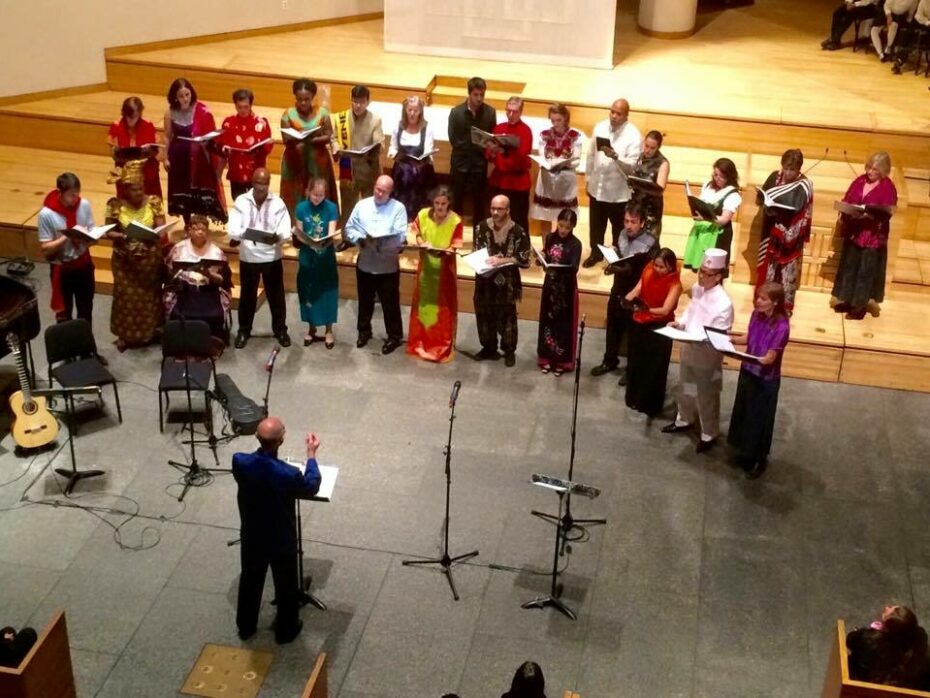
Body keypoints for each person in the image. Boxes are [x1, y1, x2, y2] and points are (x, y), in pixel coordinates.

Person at [232, 416, 322, 644]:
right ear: (281, 441)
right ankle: (286, 630)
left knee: (250, 579)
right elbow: (311, 485)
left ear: (256, 437)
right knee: (286, 586)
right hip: (280, 538)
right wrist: (311, 455)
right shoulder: (288, 474)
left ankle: (246, 626)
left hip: (252, 535)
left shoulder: (240, 462)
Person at [662, 248, 734, 453]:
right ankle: (684, 419)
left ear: (719, 276)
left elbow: (718, 333)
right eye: (700, 271)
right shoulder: (697, 288)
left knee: (706, 394)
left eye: (707, 273)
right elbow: (690, 312)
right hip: (688, 346)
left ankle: (709, 433)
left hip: (706, 354)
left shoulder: (724, 303)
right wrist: (680, 324)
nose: (701, 275)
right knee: (685, 386)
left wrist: (697, 336)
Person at [727, 281, 791, 479]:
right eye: (757, 297)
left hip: (765, 380)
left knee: (759, 419)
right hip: (748, 371)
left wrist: (758, 359)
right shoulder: (757, 314)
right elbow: (750, 336)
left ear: (775, 302)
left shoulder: (781, 326)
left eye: (763, 299)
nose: (758, 301)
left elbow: (770, 357)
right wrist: (729, 339)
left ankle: (758, 458)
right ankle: (744, 452)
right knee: (744, 413)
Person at [590, 205, 659, 385]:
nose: (628, 226)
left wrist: (630, 270)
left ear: (642, 223)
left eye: (633, 222)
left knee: (633, 332)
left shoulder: (651, 242)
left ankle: (632, 370)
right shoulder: (621, 234)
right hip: (618, 288)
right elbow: (620, 256)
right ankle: (609, 361)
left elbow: (651, 271)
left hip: (636, 292)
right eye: (626, 221)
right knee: (613, 325)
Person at [104, 165, 169, 352]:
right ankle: (125, 335)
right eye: (134, 189)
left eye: (141, 188)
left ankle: (152, 330)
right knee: (125, 298)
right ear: (126, 190)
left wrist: (154, 233)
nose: (139, 192)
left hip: (149, 260)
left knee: (151, 296)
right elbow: (108, 232)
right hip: (126, 262)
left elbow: (161, 228)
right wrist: (122, 236)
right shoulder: (115, 205)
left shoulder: (154, 202)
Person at [227, 168, 293, 349]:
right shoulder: (242, 201)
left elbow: (286, 228)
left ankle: (280, 329)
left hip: (271, 256)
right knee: (247, 295)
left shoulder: (277, 203)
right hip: (248, 256)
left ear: (269, 183)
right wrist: (245, 234)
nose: (261, 187)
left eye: (264, 184)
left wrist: (278, 236)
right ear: (252, 182)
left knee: (276, 295)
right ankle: (244, 330)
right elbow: (232, 228)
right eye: (258, 183)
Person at [343, 174, 408, 354]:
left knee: (390, 303)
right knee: (364, 301)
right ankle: (364, 331)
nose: (379, 194)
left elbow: (401, 235)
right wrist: (361, 240)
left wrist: (383, 242)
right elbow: (349, 228)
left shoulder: (398, 209)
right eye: (377, 189)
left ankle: (394, 336)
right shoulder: (362, 205)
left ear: (390, 193)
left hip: (387, 265)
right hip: (366, 262)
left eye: (384, 191)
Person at [831, 151, 897, 320]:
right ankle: (847, 300)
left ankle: (858, 307)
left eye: (875, 170)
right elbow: (847, 200)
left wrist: (870, 214)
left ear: (883, 171)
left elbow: (888, 212)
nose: (870, 172)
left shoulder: (887, 187)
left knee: (864, 273)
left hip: (872, 237)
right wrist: (847, 210)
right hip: (855, 232)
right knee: (850, 268)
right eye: (869, 167)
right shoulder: (859, 180)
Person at [472, 194, 531, 367]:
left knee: (507, 317)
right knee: (483, 313)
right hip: (485, 279)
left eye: (499, 209)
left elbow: (524, 257)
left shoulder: (518, 231)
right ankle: (488, 346)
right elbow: (476, 250)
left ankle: (509, 350)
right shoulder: (481, 227)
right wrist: (485, 261)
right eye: (493, 208)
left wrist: (502, 260)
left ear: (508, 210)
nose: (495, 212)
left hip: (507, 282)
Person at [583, 98, 642, 267]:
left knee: (618, 228)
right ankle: (596, 253)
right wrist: (588, 178)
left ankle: (617, 258)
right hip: (597, 187)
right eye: (612, 111)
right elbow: (591, 154)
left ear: (626, 115)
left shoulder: (633, 135)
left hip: (619, 192)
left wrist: (616, 156)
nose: (614, 116)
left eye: (618, 113)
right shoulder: (600, 127)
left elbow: (633, 167)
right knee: (596, 225)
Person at [407, 185, 463, 363]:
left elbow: (455, 245)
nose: (439, 207)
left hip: (444, 270)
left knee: (443, 307)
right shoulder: (423, 214)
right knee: (423, 305)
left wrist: (446, 250)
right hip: (426, 269)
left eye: (443, 204)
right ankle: (420, 343)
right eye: (437, 203)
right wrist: (421, 241)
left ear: (449, 204)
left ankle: (440, 346)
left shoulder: (456, 221)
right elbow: (415, 232)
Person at [624, 248, 682, 417]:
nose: (657, 269)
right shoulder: (649, 268)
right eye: (656, 264)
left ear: (670, 267)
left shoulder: (675, 283)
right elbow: (637, 289)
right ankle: (633, 398)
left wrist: (647, 309)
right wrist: (627, 300)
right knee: (636, 361)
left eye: (661, 267)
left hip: (659, 327)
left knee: (653, 367)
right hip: (641, 321)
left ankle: (649, 404)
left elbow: (665, 310)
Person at [756, 148, 813, 316]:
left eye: (793, 169)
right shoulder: (774, 177)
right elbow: (762, 197)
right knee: (770, 271)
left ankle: (784, 309)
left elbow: (800, 209)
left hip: (791, 236)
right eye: (786, 168)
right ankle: (766, 304)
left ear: (799, 169)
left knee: (788, 275)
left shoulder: (804, 184)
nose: (788, 173)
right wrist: (765, 201)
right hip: (773, 232)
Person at [37, 172, 98, 326]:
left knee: (86, 309)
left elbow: (92, 232)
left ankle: (87, 348)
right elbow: (45, 249)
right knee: (65, 314)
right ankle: (67, 349)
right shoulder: (47, 214)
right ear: (60, 192)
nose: (75, 199)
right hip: (62, 269)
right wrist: (66, 238)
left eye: (77, 194)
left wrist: (89, 238)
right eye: (71, 195)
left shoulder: (83, 204)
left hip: (84, 264)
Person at [164, 78, 226, 223]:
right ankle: (187, 223)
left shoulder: (202, 111)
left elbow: (212, 136)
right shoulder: (170, 113)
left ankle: (201, 224)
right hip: (179, 156)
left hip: (199, 157)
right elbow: (167, 136)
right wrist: (165, 158)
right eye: (181, 96)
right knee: (183, 190)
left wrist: (206, 143)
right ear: (175, 97)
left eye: (187, 94)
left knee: (199, 191)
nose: (185, 99)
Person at [165, 214, 232, 342]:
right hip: (185, 289)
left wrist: (209, 274)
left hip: (209, 290)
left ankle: (210, 341)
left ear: (207, 232)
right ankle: (183, 340)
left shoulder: (216, 252)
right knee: (179, 311)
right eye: (196, 229)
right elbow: (169, 274)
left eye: (203, 229)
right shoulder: (178, 248)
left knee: (214, 313)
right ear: (189, 230)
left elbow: (224, 282)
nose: (200, 232)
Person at [332, 85, 384, 236]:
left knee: (370, 205)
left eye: (361, 102)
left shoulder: (375, 120)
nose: (357, 105)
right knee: (348, 205)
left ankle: (368, 236)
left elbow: (379, 142)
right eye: (354, 102)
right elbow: (333, 138)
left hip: (368, 169)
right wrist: (335, 147)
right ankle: (347, 237)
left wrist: (376, 146)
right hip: (348, 169)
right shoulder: (341, 118)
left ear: (368, 102)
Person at [293, 178, 339, 349]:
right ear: (308, 192)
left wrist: (323, 241)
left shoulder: (331, 207)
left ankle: (328, 330)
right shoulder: (301, 207)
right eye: (314, 195)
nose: (317, 198)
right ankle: (311, 327)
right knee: (308, 292)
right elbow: (299, 233)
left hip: (325, 256)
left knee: (328, 292)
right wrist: (305, 239)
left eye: (321, 195)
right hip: (307, 255)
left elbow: (331, 232)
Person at [280, 78, 336, 217]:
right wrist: (297, 137)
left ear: (312, 97)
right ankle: (295, 226)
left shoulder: (322, 113)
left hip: (317, 161)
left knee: (318, 190)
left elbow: (329, 135)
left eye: (307, 99)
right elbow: (285, 138)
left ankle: (320, 226)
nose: (303, 102)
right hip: (295, 161)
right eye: (300, 99)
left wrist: (313, 139)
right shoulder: (288, 114)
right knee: (296, 193)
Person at [536, 209, 582, 375]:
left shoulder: (575, 244)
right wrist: (540, 258)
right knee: (548, 321)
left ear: (573, 227)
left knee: (563, 325)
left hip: (565, 291)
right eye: (561, 225)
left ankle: (562, 361)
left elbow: (574, 268)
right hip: (550, 287)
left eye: (567, 227)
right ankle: (546, 358)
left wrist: (558, 269)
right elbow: (546, 260)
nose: (563, 230)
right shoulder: (550, 238)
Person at [448, 77, 497, 226]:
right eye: (476, 95)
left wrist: (484, 147)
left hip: (479, 164)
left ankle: (479, 238)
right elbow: (454, 139)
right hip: (460, 164)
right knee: (457, 201)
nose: (479, 98)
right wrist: (476, 144)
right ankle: (454, 237)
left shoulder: (490, 112)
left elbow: (491, 137)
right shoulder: (456, 113)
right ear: (469, 94)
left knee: (479, 203)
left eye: (482, 95)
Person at [682, 158, 741, 275]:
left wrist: (705, 218)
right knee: (701, 266)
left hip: (718, 234)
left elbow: (724, 219)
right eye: (715, 175)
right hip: (703, 229)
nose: (717, 178)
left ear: (729, 176)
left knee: (714, 269)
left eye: (721, 176)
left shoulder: (732, 194)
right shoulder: (708, 186)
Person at [529, 103, 583, 232]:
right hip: (548, 178)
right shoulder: (544, 134)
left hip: (565, 179)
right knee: (545, 214)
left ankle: (564, 245)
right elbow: (543, 154)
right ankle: (546, 245)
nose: (556, 123)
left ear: (565, 118)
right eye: (553, 120)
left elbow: (576, 159)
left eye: (559, 120)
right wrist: (550, 160)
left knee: (566, 216)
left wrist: (564, 161)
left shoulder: (575, 136)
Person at [847, 605, 930, 688]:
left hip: (864, 687)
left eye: (890, 609)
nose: (886, 607)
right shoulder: (919, 648)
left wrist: (861, 633)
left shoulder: (870, 640)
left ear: (886, 629)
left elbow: (850, 640)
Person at [486, 97, 533, 233]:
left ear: (521, 112)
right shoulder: (499, 127)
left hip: (517, 183)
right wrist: (493, 153)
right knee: (496, 217)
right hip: (499, 181)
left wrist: (501, 159)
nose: (511, 115)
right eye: (508, 111)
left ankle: (521, 251)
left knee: (519, 219)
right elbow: (489, 154)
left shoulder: (525, 131)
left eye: (515, 112)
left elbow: (521, 159)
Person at [218, 88, 274, 200]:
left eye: (246, 107)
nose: (243, 110)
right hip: (236, 173)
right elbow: (222, 149)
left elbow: (267, 149)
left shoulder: (261, 123)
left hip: (255, 175)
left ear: (251, 105)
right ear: (235, 105)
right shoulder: (229, 123)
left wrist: (267, 144)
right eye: (239, 107)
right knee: (239, 203)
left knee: (257, 205)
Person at [388, 96, 436, 220]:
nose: (412, 113)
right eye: (409, 110)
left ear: (420, 111)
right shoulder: (398, 127)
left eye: (415, 110)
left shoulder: (427, 128)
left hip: (420, 173)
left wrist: (426, 157)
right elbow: (393, 147)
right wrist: (393, 153)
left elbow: (428, 149)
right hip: (401, 174)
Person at [107, 95, 162, 199]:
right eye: (130, 117)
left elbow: (157, 150)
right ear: (124, 113)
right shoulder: (116, 126)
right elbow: (113, 153)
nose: (133, 121)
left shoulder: (148, 125)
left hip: (147, 173)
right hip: (126, 174)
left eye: (136, 117)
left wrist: (150, 151)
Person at [630, 130, 670, 238]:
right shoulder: (640, 157)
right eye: (646, 146)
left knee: (647, 244)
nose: (647, 150)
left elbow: (659, 189)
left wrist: (640, 184)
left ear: (658, 147)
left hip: (650, 210)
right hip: (635, 206)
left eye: (652, 148)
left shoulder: (663, 163)